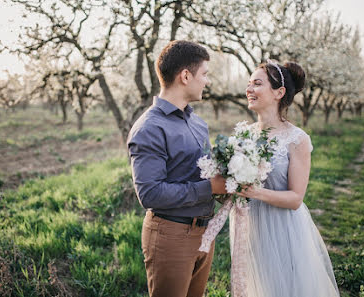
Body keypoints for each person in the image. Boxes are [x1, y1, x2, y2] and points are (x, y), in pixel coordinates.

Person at [127, 40, 227, 297]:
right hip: (170, 235)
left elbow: (202, 173)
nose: (206, 81)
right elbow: (150, 194)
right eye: (204, 74)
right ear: (185, 76)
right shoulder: (150, 128)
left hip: (204, 232)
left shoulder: (198, 124)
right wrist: (210, 188)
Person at [232, 60, 340, 297]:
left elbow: (295, 198)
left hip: (283, 226)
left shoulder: (296, 139)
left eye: (257, 83)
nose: (249, 89)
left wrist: (254, 192)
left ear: (279, 93)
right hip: (251, 225)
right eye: (248, 83)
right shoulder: (244, 134)